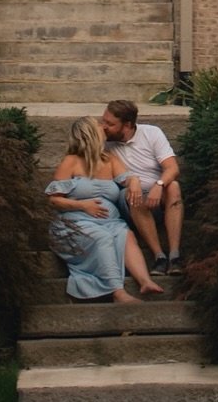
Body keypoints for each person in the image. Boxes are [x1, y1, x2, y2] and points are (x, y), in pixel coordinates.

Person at [45, 115, 164, 303]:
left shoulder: (110, 159)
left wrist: (134, 181)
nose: (104, 127)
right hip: (76, 222)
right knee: (102, 238)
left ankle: (145, 281)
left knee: (126, 235)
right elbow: (54, 200)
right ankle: (118, 292)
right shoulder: (71, 161)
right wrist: (82, 205)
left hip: (110, 221)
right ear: (90, 133)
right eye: (99, 125)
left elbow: (127, 177)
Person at [100, 98, 184, 275]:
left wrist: (159, 184)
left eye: (110, 123)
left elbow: (172, 168)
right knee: (132, 193)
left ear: (127, 125)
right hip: (129, 201)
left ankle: (175, 255)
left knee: (174, 186)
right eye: (103, 120)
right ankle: (159, 256)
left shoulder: (151, 133)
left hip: (157, 198)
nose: (103, 126)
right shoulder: (104, 142)